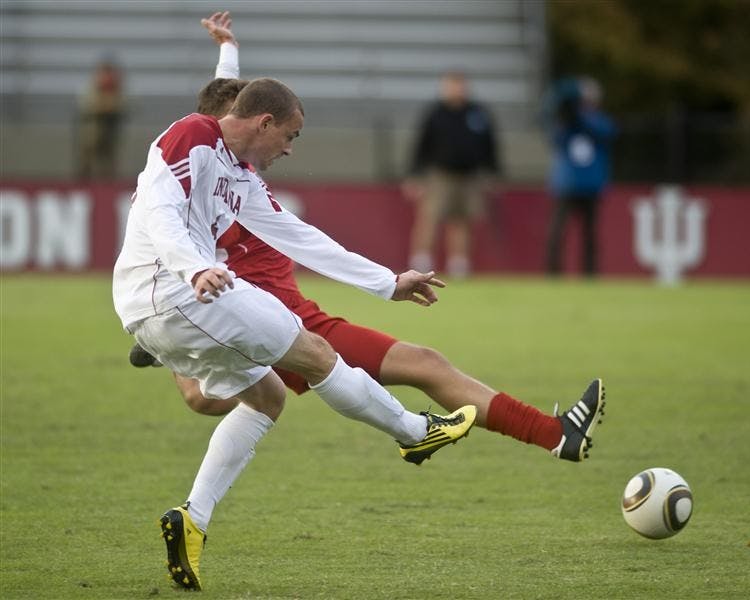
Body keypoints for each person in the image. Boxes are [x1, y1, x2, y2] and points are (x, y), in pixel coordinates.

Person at [131, 12, 604, 466]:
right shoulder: (223, 181)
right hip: (274, 318)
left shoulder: (233, 164)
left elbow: (231, 105)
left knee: (212, 395)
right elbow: (273, 228)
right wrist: (387, 282)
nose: (288, 147)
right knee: (425, 365)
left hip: (276, 312)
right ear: (254, 125)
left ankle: (171, 356)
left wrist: (228, 50)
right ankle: (554, 434)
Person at [113, 68, 481, 589]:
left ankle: (192, 519)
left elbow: (300, 237)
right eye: (290, 135)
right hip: (177, 290)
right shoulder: (192, 135)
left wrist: (387, 282)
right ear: (264, 122)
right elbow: (158, 209)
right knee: (317, 354)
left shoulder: (239, 175)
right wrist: (193, 266)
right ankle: (416, 433)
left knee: (267, 396)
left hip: (158, 306)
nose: (290, 149)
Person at [403, 71, 501, 278]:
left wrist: (493, 172)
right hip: (440, 175)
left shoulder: (477, 113)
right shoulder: (435, 113)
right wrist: (415, 174)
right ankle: (420, 263)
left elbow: (490, 145)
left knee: (462, 221)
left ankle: (459, 265)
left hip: (469, 176)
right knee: (429, 218)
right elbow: (421, 145)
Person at [545, 77, 616, 276]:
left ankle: (590, 273)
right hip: (567, 183)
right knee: (557, 232)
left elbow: (606, 132)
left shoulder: (600, 120)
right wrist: (567, 117)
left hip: (591, 184)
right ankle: (553, 273)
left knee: (590, 234)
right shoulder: (565, 122)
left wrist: (580, 117)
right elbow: (555, 139)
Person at [77, 57, 125, 179]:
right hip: (93, 127)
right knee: (88, 153)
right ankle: (85, 179)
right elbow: (87, 105)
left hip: (111, 128)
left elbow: (123, 105)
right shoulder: (92, 88)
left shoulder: (117, 89)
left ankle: (107, 182)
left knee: (108, 158)